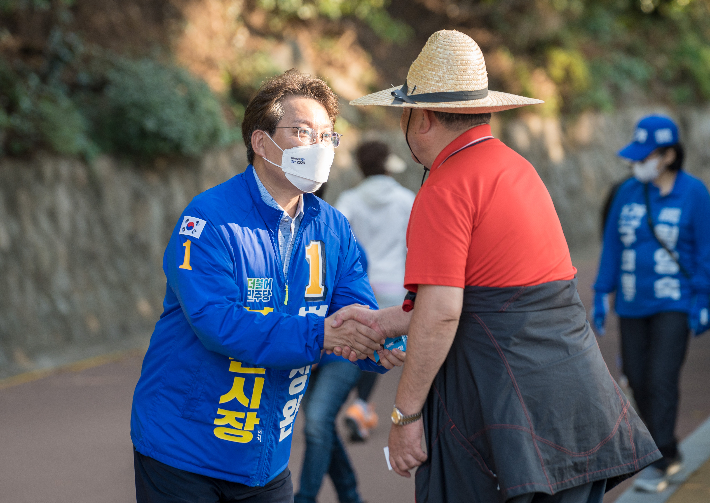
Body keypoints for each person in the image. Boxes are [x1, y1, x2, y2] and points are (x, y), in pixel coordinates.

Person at [329, 30, 661, 503]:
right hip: (576, 400)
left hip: (506, 409)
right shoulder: (517, 168)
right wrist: (383, 322)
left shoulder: (444, 188)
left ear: (421, 117)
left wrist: (405, 417)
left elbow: (444, 310)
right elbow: (490, 293)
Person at [130, 69, 405, 503]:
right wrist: (324, 334)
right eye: (303, 132)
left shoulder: (334, 229)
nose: (319, 147)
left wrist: (382, 340)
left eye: (327, 136)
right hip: (183, 452)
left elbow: (357, 310)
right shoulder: (208, 221)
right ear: (261, 143)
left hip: (265, 459)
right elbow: (217, 323)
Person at [592, 115, 710, 492]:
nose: (637, 163)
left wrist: (704, 297)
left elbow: (706, 250)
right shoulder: (625, 192)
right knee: (638, 380)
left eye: (647, 156)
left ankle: (661, 460)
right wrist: (599, 292)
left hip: (674, 303)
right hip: (631, 303)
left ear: (669, 155)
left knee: (661, 377)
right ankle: (668, 451)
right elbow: (611, 246)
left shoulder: (694, 194)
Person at [293, 185, 371, 503]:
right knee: (321, 425)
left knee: (315, 424)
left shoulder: (341, 235)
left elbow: (359, 303)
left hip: (341, 352)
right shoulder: (273, 240)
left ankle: (304, 498)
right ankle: (350, 495)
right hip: (300, 352)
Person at [335, 140, 416, 442]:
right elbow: (414, 245)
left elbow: (337, 238)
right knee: (386, 352)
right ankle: (364, 407)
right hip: (397, 286)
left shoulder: (350, 199)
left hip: (360, 288)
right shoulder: (406, 198)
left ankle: (357, 406)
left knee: (362, 348)